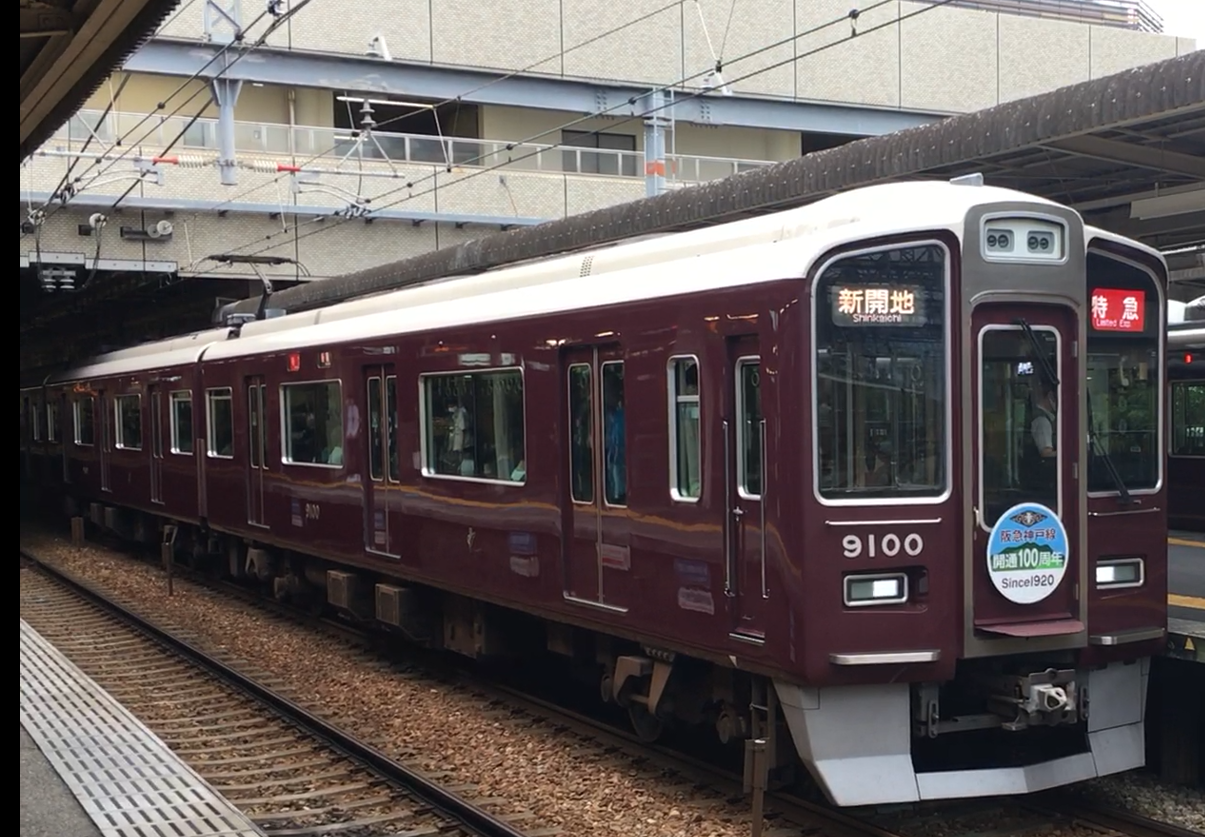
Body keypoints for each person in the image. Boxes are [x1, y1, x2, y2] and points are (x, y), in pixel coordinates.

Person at [1030, 379, 1057, 458]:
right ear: (1051, 396)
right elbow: (1046, 453)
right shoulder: (1043, 421)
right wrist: (1065, 453)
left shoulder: (1037, 415)